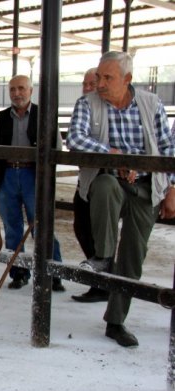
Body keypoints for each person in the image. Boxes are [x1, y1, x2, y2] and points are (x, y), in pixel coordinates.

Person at [67, 50, 175, 348]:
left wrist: (171, 189)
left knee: (133, 256)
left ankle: (116, 321)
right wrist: (114, 156)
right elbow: (75, 138)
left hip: (146, 186)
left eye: (107, 78)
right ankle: (102, 255)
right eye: (99, 77)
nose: (100, 83)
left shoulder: (151, 104)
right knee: (103, 185)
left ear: (127, 79)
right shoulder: (87, 104)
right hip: (111, 181)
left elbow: (167, 149)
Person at [0, 74, 64, 291]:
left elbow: (56, 147)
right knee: (12, 228)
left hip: (33, 176)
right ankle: (19, 273)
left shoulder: (44, 115)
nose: (16, 93)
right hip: (9, 175)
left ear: (31, 91)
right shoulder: (1, 118)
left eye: (21, 88)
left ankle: (53, 273)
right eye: (12, 89)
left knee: (41, 226)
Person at [71, 68, 109, 303]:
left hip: (106, 181)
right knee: (82, 228)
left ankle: (106, 285)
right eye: (84, 84)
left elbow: (82, 141)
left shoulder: (107, 110)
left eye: (91, 84)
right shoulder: (84, 106)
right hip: (86, 180)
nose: (87, 88)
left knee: (103, 233)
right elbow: (76, 141)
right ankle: (99, 283)